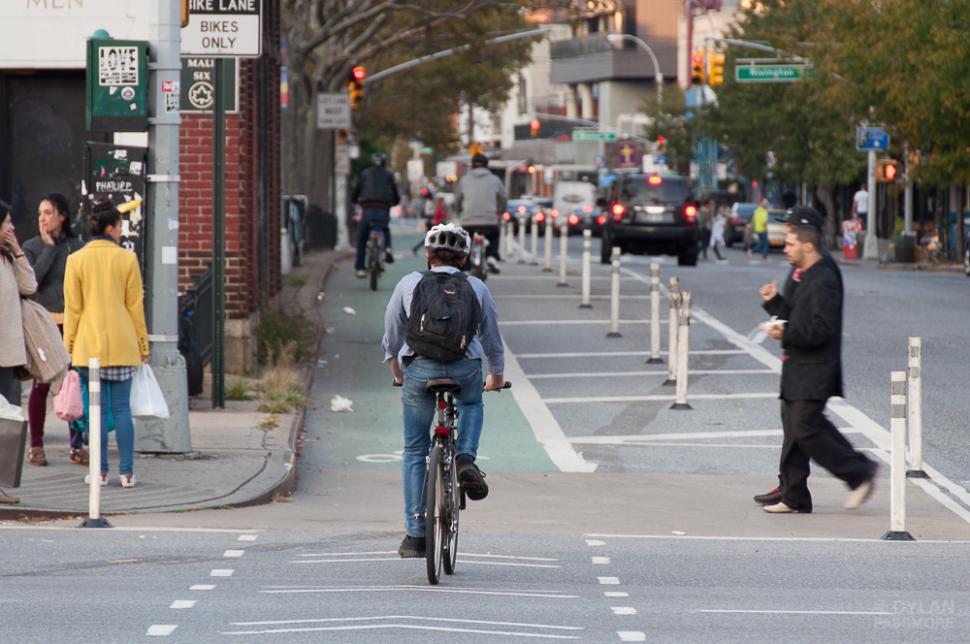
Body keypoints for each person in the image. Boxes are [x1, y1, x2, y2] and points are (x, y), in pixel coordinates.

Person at [382, 223, 506, 558]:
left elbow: (393, 332)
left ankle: (416, 535)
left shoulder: (409, 283)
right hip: (465, 367)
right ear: (464, 259)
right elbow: (491, 335)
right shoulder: (477, 287)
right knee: (471, 402)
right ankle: (465, 458)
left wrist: (397, 371)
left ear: (427, 255)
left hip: (419, 369)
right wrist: (496, 374)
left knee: (414, 451)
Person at [758, 208, 877, 513]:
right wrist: (774, 303)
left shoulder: (824, 278)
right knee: (794, 425)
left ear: (807, 244)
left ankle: (859, 473)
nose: (784, 247)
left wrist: (783, 332)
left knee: (806, 426)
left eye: (789, 241)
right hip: (798, 365)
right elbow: (796, 315)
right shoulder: (803, 272)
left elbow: (821, 330)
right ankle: (794, 493)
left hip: (816, 369)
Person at [63, 197, 149, 488]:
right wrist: (143, 346)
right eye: (119, 227)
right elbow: (135, 307)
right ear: (111, 228)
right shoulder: (127, 259)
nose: (121, 232)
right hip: (123, 343)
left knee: (96, 411)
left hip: (88, 346)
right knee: (123, 410)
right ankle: (127, 473)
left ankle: (99, 471)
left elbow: (73, 309)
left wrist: (69, 346)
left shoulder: (75, 260)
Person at [21, 193, 86, 467]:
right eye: (39, 213)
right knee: (42, 384)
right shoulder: (32, 246)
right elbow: (32, 282)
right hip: (45, 325)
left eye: (48, 212)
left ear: (62, 216)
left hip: (73, 324)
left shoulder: (78, 247)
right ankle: (36, 445)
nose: (42, 218)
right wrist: (48, 248)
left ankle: (77, 445)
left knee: (72, 384)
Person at [0, 198, 38, 505]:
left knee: (5, 420)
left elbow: (30, 286)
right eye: (7, 222)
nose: (12, 227)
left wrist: (18, 251)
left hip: (7, 356)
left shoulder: (8, 258)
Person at [455, 153, 506, 274]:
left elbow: (457, 198)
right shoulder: (495, 179)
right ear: (487, 165)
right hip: (489, 220)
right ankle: (491, 257)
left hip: (468, 220)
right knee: (494, 235)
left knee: (466, 242)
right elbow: (503, 198)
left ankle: (465, 268)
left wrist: (458, 210)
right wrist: (502, 210)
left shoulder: (464, 180)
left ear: (472, 165)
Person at [352, 152, 400, 279]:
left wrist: (355, 200)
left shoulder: (364, 173)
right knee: (385, 228)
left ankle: (360, 268)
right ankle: (388, 248)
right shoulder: (389, 175)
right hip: (383, 209)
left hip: (367, 209)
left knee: (362, 238)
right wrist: (394, 202)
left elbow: (356, 191)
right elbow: (395, 193)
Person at [751, 197, 770, 261]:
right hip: (762, 229)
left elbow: (753, 219)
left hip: (757, 229)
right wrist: (766, 229)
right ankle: (764, 256)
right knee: (765, 243)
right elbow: (764, 221)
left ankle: (752, 251)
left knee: (762, 243)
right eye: (766, 204)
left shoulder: (757, 210)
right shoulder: (764, 211)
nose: (767, 205)